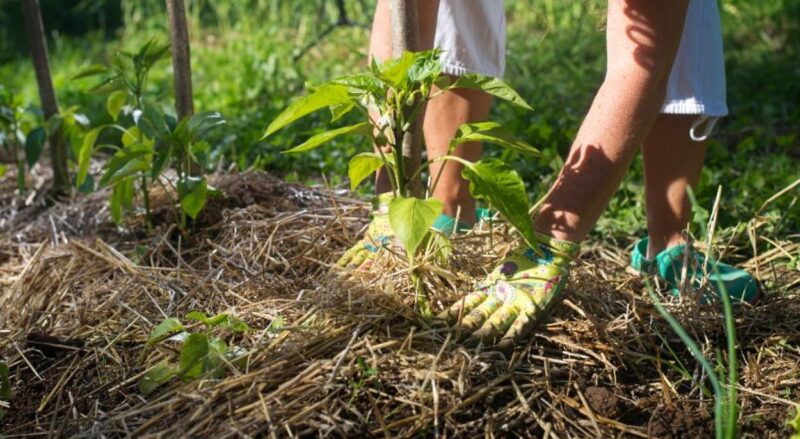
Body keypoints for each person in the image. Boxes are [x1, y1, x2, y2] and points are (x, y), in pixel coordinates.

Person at [339, 0, 760, 349]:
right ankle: (447, 203)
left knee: (681, 23)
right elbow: (404, 18)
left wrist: (545, 247)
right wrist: (395, 196)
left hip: (650, 39)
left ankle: (668, 242)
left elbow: (640, 65)